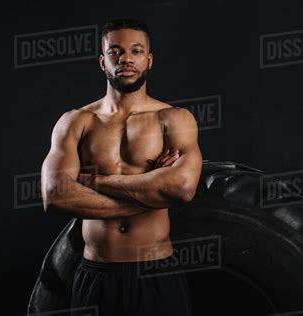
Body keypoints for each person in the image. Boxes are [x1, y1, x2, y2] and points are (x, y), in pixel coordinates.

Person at [40, 17, 202, 316]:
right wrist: (153, 189)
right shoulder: (76, 121)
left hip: (156, 272)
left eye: (136, 51)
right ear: (103, 62)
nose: (126, 58)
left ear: (149, 60)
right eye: (115, 51)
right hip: (97, 273)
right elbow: (55, 195)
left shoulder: (174, 119)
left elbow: (181, 188)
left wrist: (92, 181)